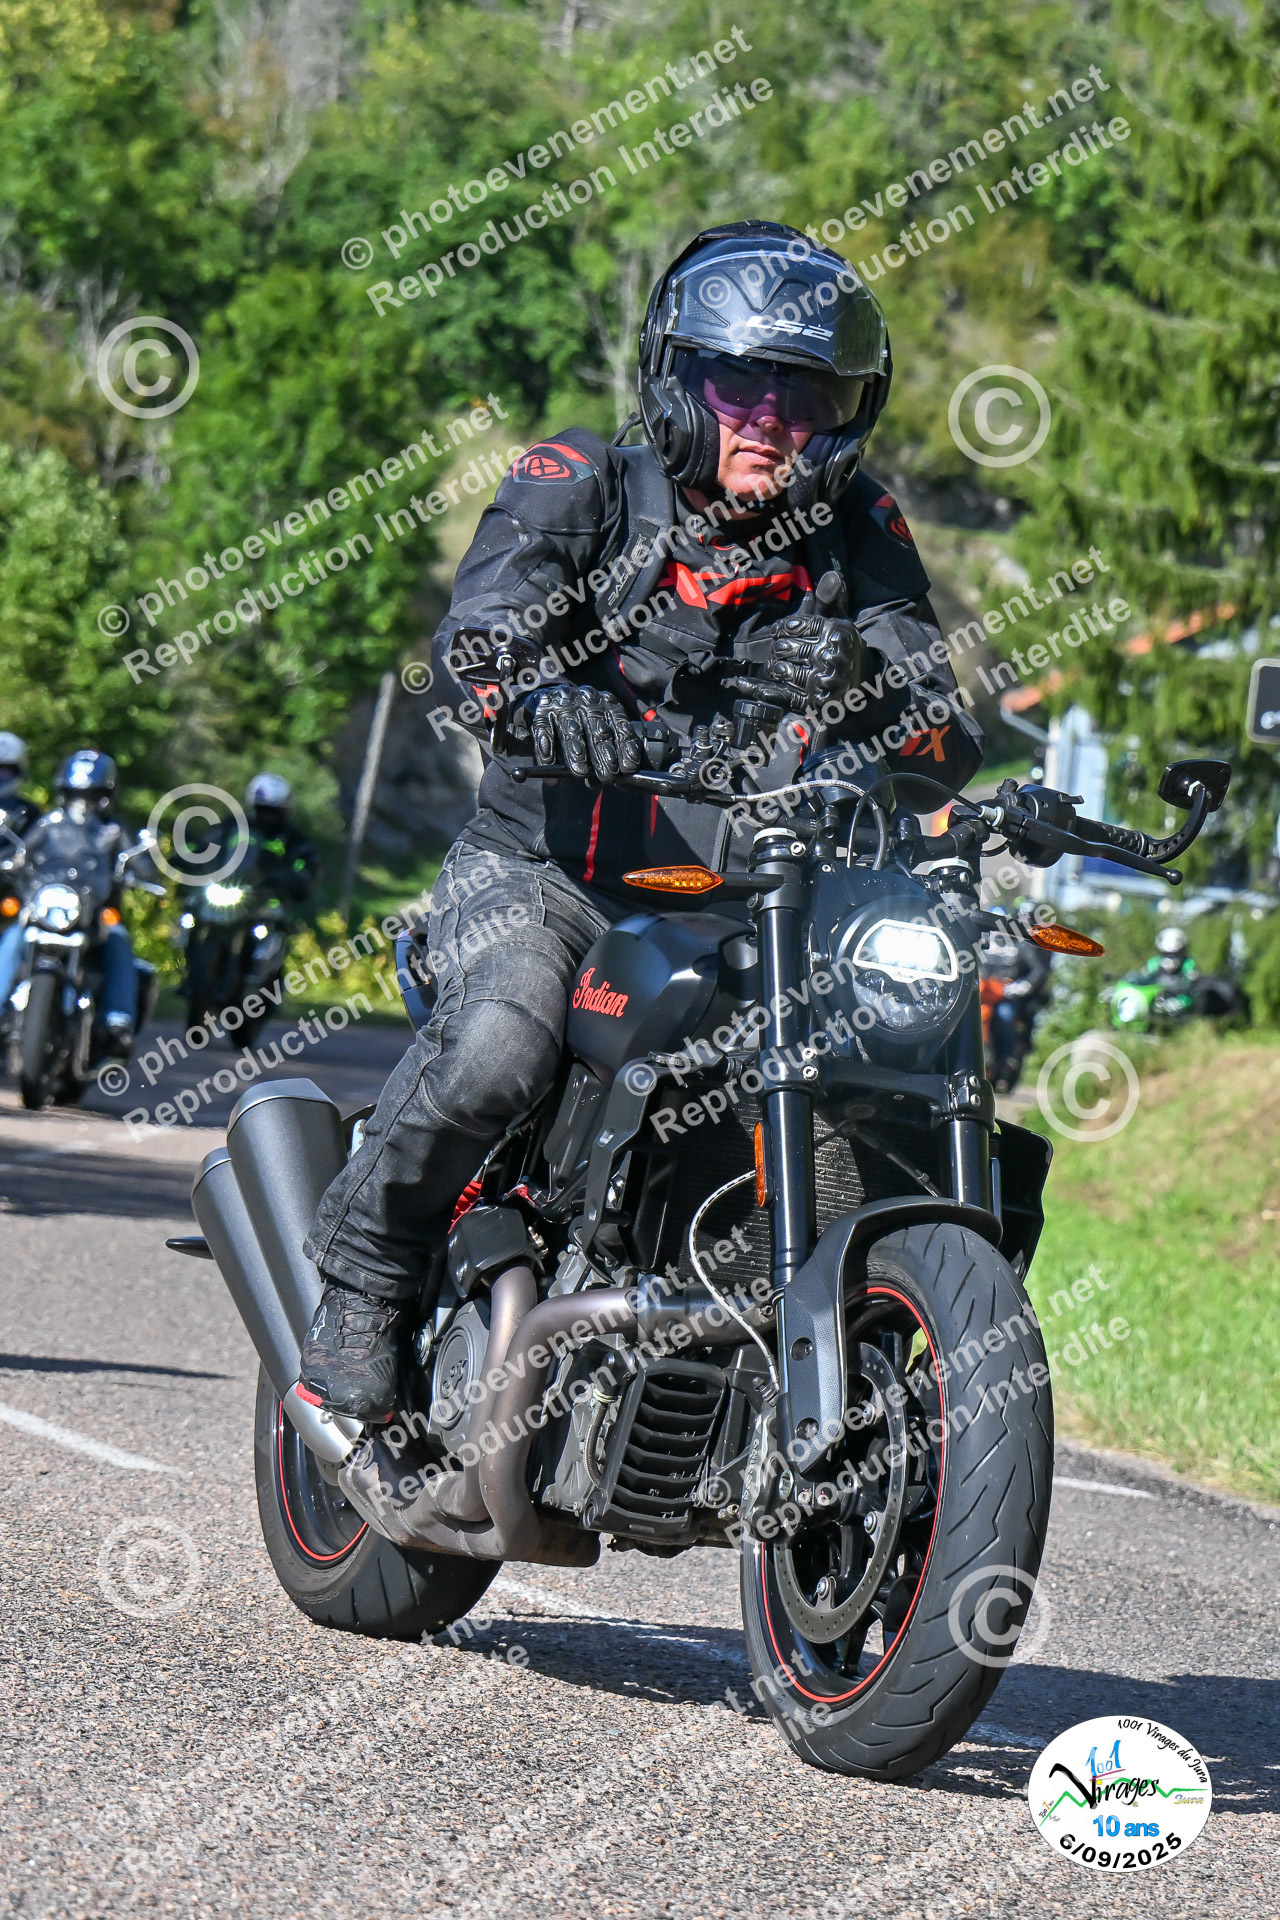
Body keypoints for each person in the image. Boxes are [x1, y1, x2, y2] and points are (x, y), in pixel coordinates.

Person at [300, 220, 984, 1419]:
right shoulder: (581, 483)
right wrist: (540, 699)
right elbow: (477, 643)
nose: (768, 421)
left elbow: (942, 740)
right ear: (677, 381)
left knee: (879, 1077)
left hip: (760, 902)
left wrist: (869, 690)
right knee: (500, 1044)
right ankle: (365, 1272)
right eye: (737, 386)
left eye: (804, 396)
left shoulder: (858, 532)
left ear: (844, 414)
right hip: (548, 874)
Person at [4, 751, 153, 1054]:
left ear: (107, 795)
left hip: (94, 913)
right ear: (63, 792)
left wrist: (140, 874)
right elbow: (21, 852)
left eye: (91, 795)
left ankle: (118, 1019)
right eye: (75, 794)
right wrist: (10, 861)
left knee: (118, 939)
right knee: (14, 935)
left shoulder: (115, 830)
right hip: (47, 909)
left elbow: (143, 866)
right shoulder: (49, 823)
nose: (82, 803)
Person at [178, 773, 315, 912]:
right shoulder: (232, 826)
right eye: (263, 810)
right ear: (253, 806)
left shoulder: (292, 838)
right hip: (221, 890)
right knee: (187, 911)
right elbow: (209, 845)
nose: (268, 817)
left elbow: (305, 868)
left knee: (270, 920)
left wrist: (288, 878)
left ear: (284, 812)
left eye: (274, 812)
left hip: (265, 904)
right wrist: (188, 856)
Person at [0, 733, 43, 1030]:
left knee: (17, 936)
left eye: (5, 771)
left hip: (12, 897)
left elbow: (47, 854)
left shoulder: (30, 814)